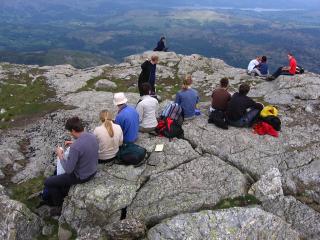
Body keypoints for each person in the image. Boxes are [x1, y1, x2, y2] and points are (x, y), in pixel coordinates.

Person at [43, 117, 98, 207]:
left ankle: (58, 206)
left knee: (48, 182)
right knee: (58, 181)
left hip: (82, 176)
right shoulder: (92, 136)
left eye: (70, 131)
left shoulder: (75, 147)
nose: (70, 133)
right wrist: (73, 143)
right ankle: (63, 192)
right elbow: (85, 146)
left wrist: (60, 155)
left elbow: (69, 170)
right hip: (93, 170)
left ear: (73, 130)